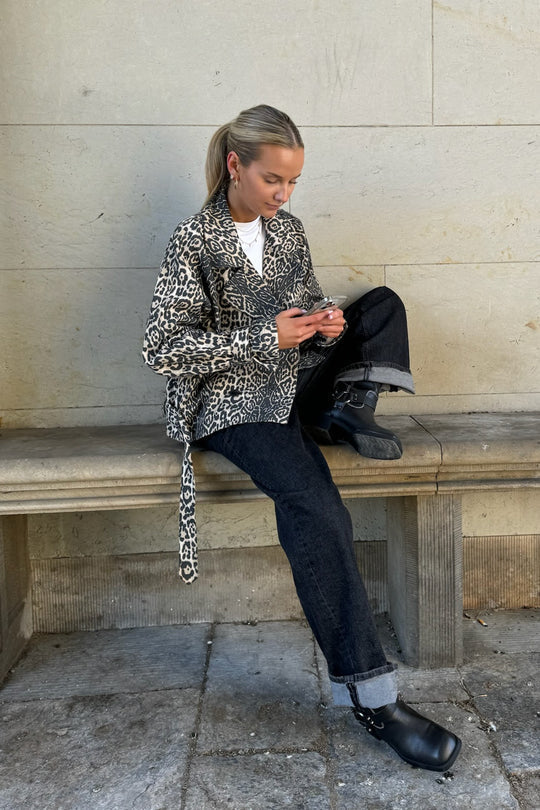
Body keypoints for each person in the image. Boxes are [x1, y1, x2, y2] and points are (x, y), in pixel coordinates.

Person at [142, 104, 461, 772]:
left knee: (381, 306)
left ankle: (346, 410)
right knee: (318, 506)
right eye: (273, 180)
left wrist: (324, 326)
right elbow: (162, 348)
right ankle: (375, 700)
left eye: (292, 182)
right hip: (233, 406)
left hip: (293, 383)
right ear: (236, 166)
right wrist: (267, 336)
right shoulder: (194, 239)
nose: (283, 194)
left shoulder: (288, 231)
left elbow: (306, 308)